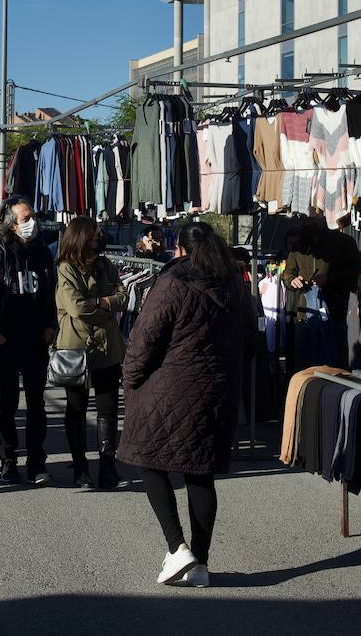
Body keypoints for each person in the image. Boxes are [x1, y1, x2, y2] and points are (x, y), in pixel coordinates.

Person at [119, 221, 253, 588]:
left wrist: (130, 378)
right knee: (200, 472)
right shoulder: (235, 285)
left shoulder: (173, 282)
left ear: (180, 250)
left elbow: (144, 338)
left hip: (169, 389)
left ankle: (178, 548)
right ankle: (201, 563)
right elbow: (251, 339)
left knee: (148, 460)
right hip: (217, 392)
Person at [0, 199, 58, 485]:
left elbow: (52, 293)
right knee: (7, 404)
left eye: (33, 217)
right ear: (10, 222)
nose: (32, 222)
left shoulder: (43, 253)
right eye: (25, 218)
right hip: (6, 340)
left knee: (36, 405)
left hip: (36, 340)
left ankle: (37, 463)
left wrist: (50, 325)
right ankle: (8, 461)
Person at [54, 216, 127, 490]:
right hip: (76, 348)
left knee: (108, 409)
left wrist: (99, 301)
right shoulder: (66, 269)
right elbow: (76, 308)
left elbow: (124, 297)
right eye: (96, 235)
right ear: (83, 238)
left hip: (108, 348)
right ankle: (81, 468)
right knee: (76, 409)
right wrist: (105, 306)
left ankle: (108, 466)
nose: (100, 239)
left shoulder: (106, 266)